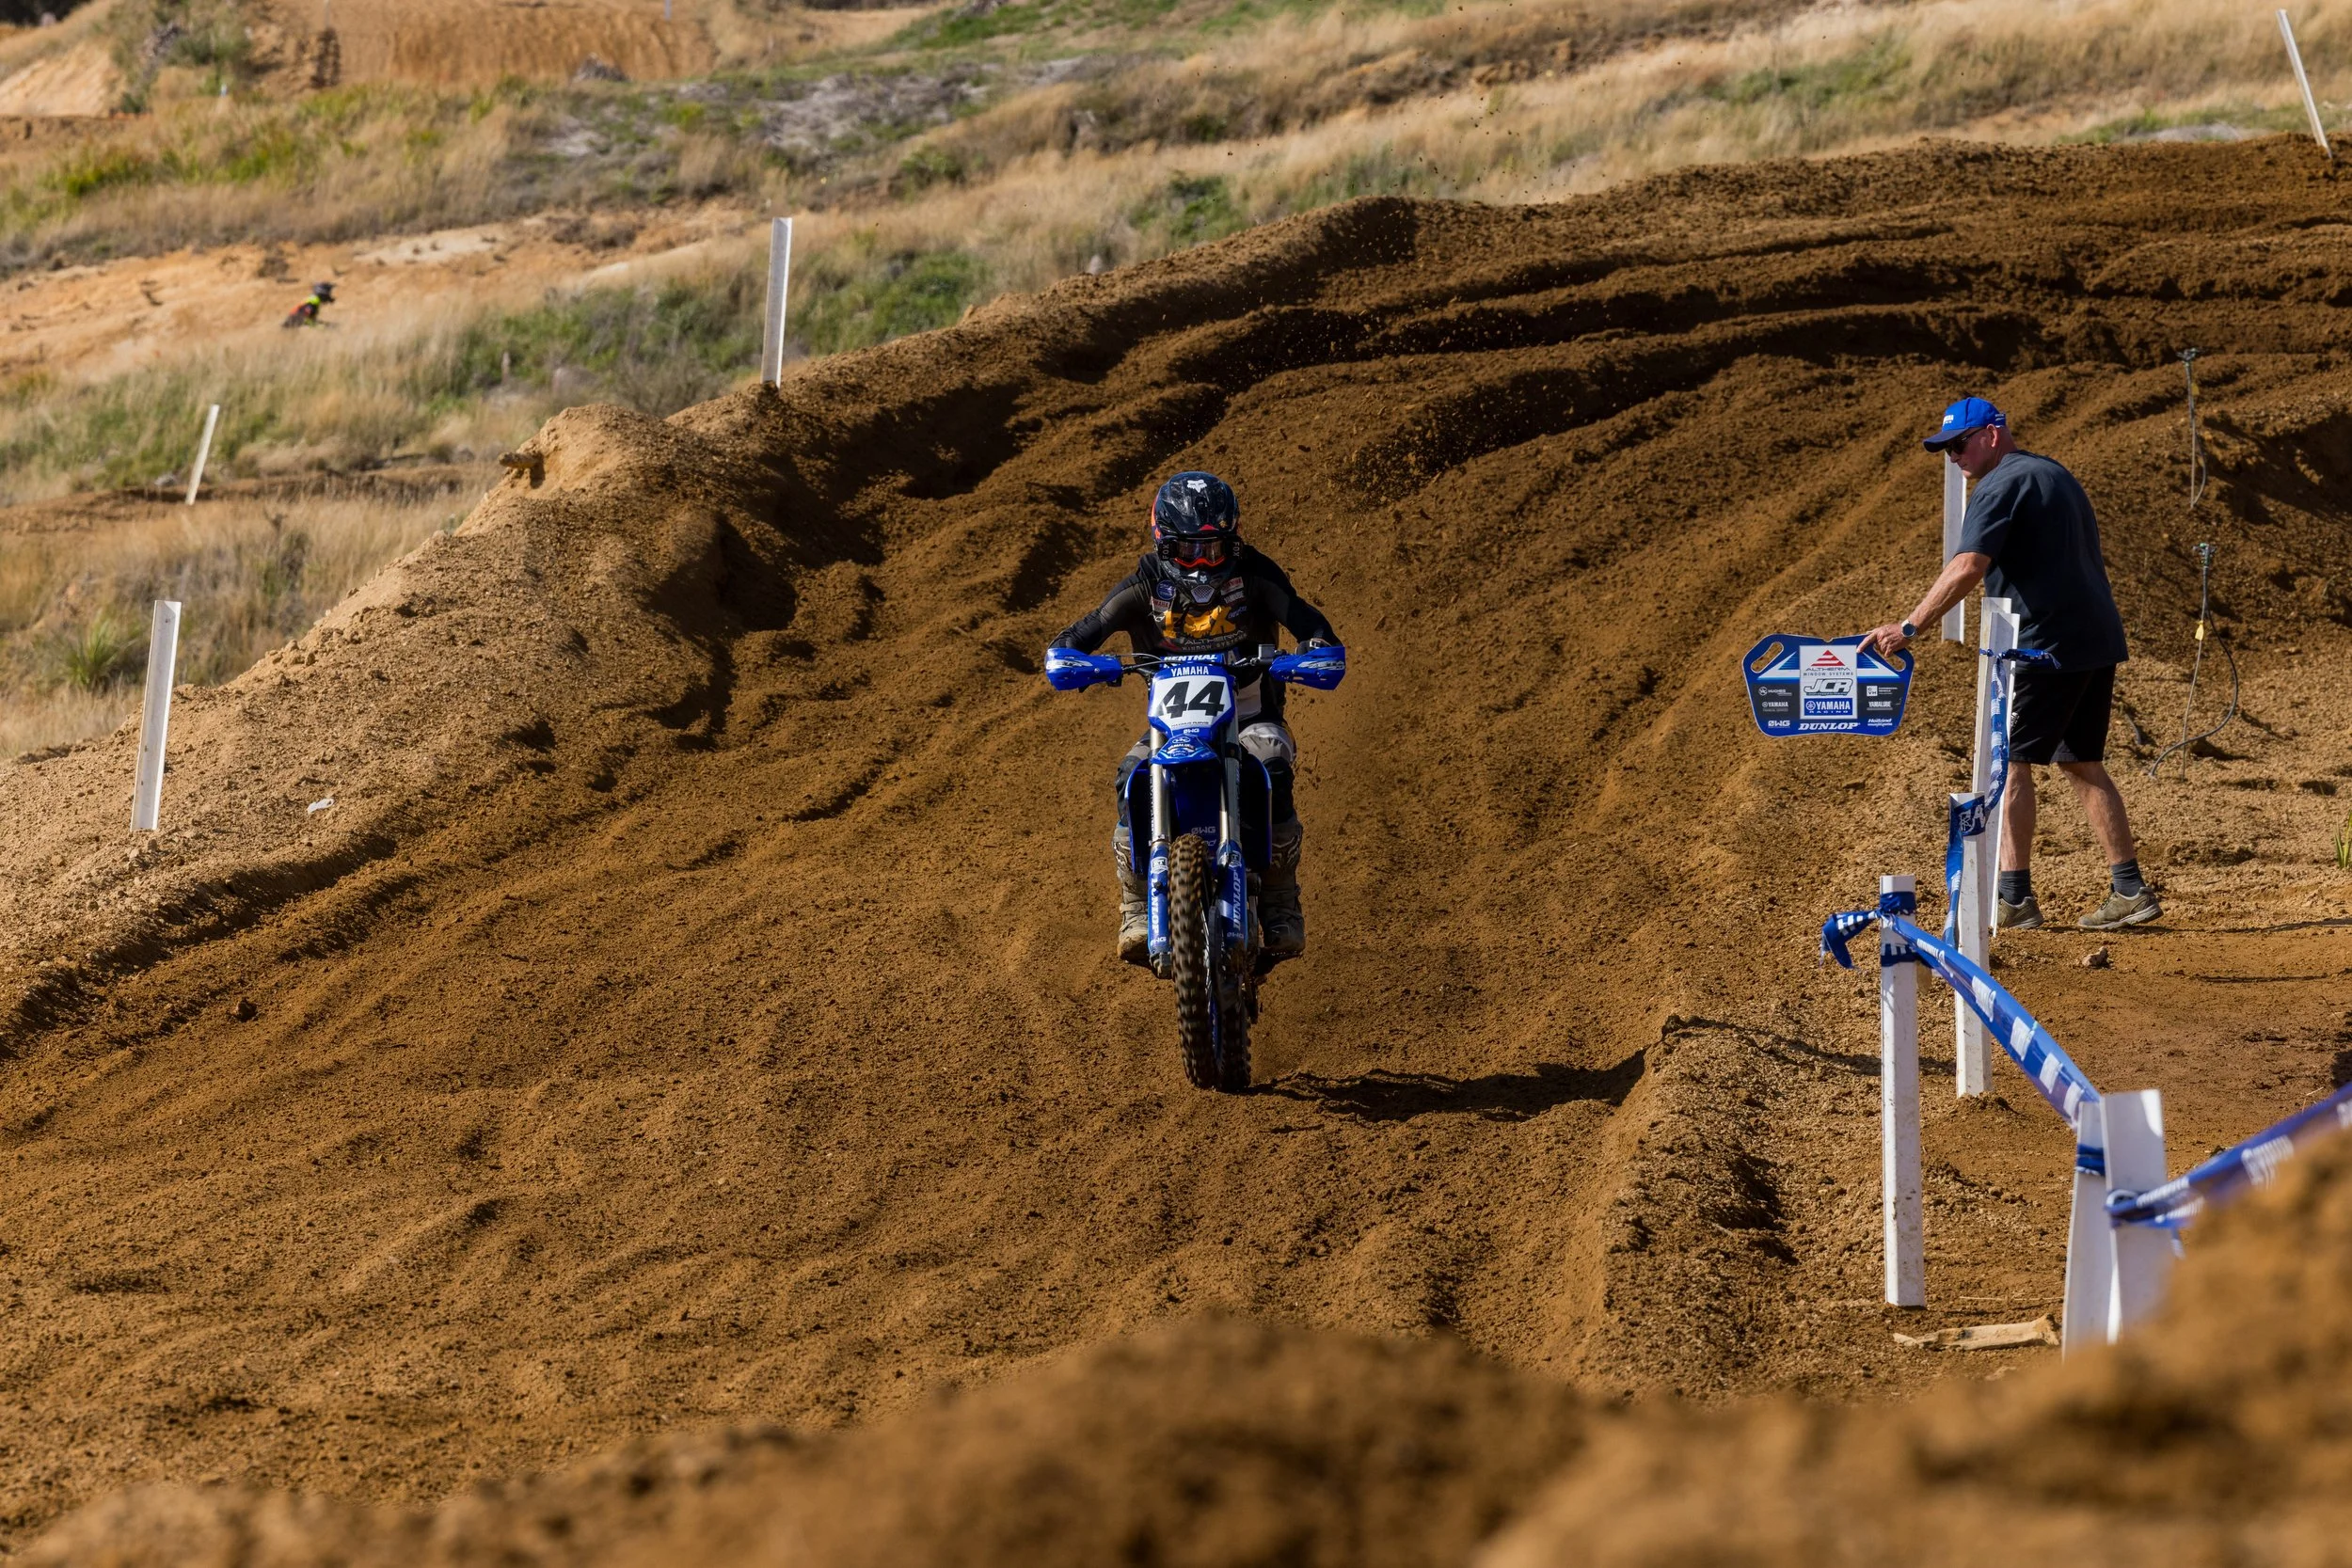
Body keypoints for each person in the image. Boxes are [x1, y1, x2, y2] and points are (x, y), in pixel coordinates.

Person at [1861, 396, 2160, 933]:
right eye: (1945, 449)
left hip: (2041, 645)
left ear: (1993, 434)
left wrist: (1909, 628)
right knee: (2083, 761)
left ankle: (2015, 898)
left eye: (1959, 443)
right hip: (2092, 640)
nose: (1953, 456)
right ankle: (2130, 888)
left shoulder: (1998, 485)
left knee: (2010, 762)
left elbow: (1969, 564)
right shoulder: (2054, 474)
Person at [1050, 471, 1340, 965]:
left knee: (1271, 766)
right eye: (1189, 551)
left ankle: (1279, 902)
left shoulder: (1254, 575)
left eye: (1214, 549)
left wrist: (1312, 651)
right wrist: (1074, 661)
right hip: (1172, 723)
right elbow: (1077, 636)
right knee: (1129, 778)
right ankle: (1137, 905)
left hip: (1250, 717)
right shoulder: (1143, 584)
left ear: (1234, 539)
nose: (1204, 563)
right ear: (1164, 543)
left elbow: (1309, 623)